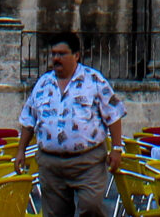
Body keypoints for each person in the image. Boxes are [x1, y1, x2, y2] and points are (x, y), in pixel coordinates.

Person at [16, 35, 125, 217]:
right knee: (55, 213)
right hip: (51, 163)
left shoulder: (94, 80)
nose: (56, 59)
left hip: (87, 161)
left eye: (62, 54)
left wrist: (116, 148)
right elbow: (29, 121)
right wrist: (21, 150)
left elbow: (113, 115)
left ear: (76, 55)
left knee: (91, 207)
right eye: (54, 54)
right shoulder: (43, 84)